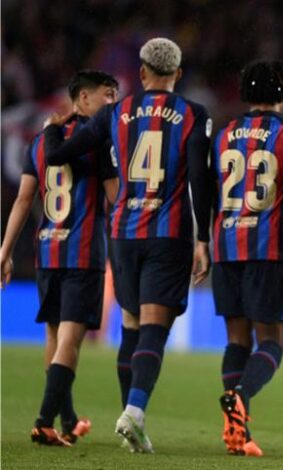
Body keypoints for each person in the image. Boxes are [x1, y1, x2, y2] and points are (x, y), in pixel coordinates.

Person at [44, 37, 212, 454]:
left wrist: (51, 130)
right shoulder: (194, 113)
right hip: (167, 233)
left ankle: (131, 421)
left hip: (123, 233)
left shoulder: (114, 113)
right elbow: (199, 178)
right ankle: (134, 412)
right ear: (178, 74)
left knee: (132, 325)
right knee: (155, 328)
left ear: (141, 73)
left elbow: (59, 155)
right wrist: (204, 238)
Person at [0, 70, 119, 447]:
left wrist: (4, 250)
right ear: (83, 98)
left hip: (48, 248)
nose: (112, 103)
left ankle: (67, 420)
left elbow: (24, 199)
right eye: (106, 95)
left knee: (54, 334)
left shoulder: (39, 141)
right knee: (70, 338)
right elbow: (115, 198)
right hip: (83, 251)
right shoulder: (99, 141)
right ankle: (43, 420)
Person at [213, 59, 283, 457]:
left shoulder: (223, 134)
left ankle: (237, 431)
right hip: (267, 250)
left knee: (237, 340)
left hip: (226, 246)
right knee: (271, 342)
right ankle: (239, 398)